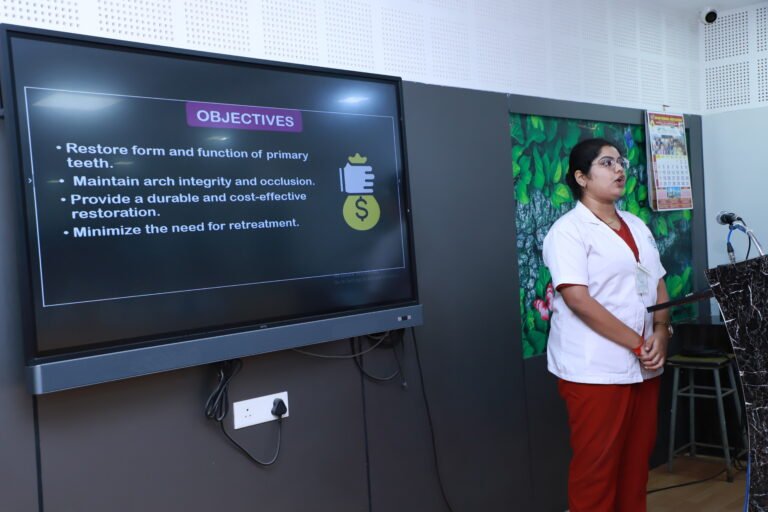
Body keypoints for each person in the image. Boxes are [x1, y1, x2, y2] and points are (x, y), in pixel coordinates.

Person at [542, 138, 672, 512]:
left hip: (644, 365)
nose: (619, 169)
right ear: (581, 177)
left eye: (620, 162)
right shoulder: (568, 231)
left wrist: (660, 332)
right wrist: (637, 342)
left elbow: (657, 282)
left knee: (636, 465)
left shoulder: (636, 224)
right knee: (596, 471)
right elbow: (577, 299)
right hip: (595, 370)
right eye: (606, 163)